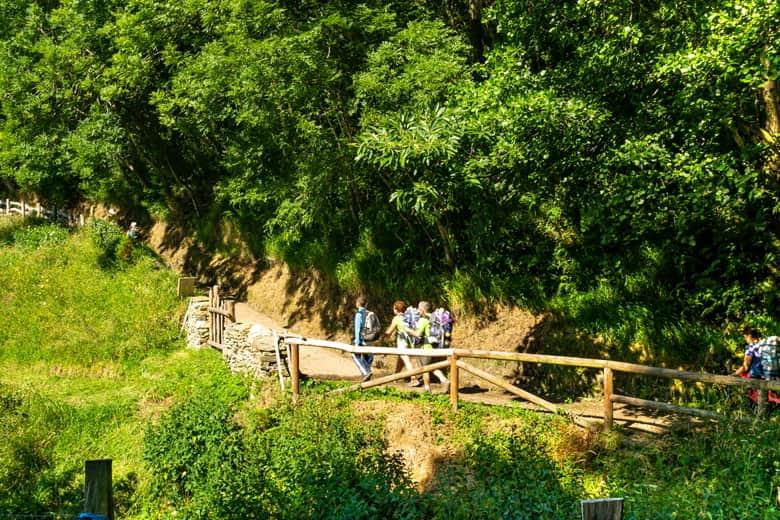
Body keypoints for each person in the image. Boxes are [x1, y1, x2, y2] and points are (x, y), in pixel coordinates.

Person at [406, 301, 449, 393]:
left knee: (425, 369)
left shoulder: (423, 320)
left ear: (422, 310)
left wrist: (408, 330)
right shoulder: (434, 318)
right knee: (432, 367)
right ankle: (444, 380)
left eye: (418, 309)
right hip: (435, 347)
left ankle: (427, 389)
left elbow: (418, 334)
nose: (417, 311)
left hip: (426, 348)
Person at [384, 300, 420, 386]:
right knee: (401, 360)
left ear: (396, 310)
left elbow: (389, 331)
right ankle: (396, 377)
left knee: (406, 360)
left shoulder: (396, 319)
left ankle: (414, 378)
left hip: (402, 342)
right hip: (410, 342)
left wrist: (384, 336)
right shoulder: (408, 317)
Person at [352, 295, 374, 381]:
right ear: (366, 304)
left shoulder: (359, 314)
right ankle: (367, 372)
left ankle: (366, 372)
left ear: (357, 304)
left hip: (362, 340)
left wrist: (357, 342)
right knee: (367, 357)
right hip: (369, 339)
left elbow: (357, 329)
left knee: (355, 355)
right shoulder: (370, 314)